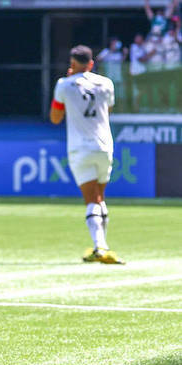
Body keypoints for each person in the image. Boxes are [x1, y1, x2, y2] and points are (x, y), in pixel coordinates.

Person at [50, 45, 124, 264]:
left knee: (91, 199)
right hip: (104, 146)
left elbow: (55, 117)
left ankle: (100, 247)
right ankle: (101, 245)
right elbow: (107, 110)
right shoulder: (106, 83)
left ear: (72, 64)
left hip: (80, 148)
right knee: (99, 197)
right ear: (91, 64)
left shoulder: (64, 84)